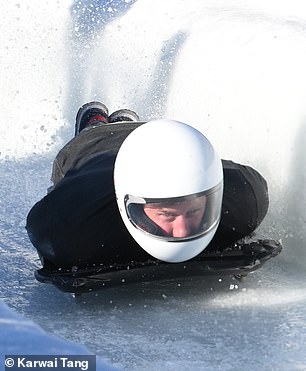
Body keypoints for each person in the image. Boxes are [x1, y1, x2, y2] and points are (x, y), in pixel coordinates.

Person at [26, 102, 269, 271]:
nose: (182, 231)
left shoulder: (244, 203)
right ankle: (96, 122)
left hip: (156, 141)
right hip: (93, 151)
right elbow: (42, 219)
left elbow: (227, 171)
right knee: (95, 135)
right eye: (167, 214)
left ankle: (128, 124)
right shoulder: (74, 229)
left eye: (194, 211)